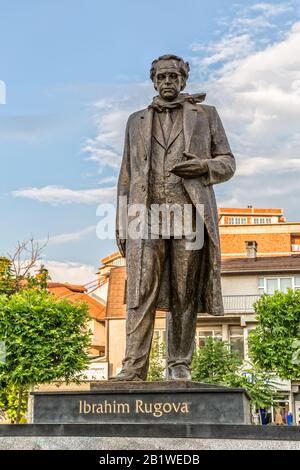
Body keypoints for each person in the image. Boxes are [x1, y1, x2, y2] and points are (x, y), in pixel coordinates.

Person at [114, 54, 235, 381]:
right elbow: (126, 176)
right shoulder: (136, 120)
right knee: (140, 290)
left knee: (184, 292)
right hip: (145, 215)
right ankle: (133, 366)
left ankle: (178, 364)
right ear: (153, 81)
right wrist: (121, 223)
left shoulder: (205, 115)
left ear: (183, 80)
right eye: (161, 77)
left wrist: (203, 166)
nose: (167, 82)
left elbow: (228, 162)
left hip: (188, 214)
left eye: (173, 77)